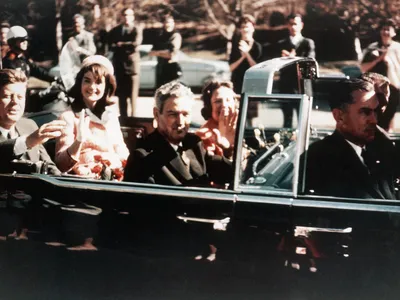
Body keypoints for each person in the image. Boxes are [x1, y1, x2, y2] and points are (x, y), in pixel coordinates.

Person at [123, 81, 233, 186]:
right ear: (156, 114)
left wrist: (229, 148)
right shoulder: (143, 157)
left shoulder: (194, 144)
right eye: (173, 114)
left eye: (185, 114)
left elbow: (229, 175)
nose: (180, 122)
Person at [304, 78, 398, 199]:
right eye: (365, 112)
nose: (374, 120)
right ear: (339, 116)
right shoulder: (321, 157)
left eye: (376, 111)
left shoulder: (377, 149)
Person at [0, 69, 65, 239]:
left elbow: (50, 169)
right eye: (8, 96)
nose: (15, 103)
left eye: (20, 97)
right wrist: (30, 140)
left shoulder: (29, 125)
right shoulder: (32, 134)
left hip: (33, 217)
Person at [55, 55, 129, 181]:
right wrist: (79, 141)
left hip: (114, 181)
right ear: (80, 83)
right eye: (87, 81)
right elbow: (61, 164)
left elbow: (122, 151)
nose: (92, 87)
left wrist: (116, 162)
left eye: (99, 82)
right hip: (83, 185)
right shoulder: (68, 116)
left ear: (107, 87)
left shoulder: (111, 116)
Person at [108, 7, 142, 117]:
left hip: (132, 68)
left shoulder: (136, 29)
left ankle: (134, 118)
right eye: (125, 15)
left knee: (133, 96)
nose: (127, 17)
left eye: (129, 15)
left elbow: (135, 44)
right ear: (121, 17)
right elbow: (110, 45)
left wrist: (121, 44)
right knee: (121, 96)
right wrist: (124, 45)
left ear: (133, 17)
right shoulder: (116, 30)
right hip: (119, 67)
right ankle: (123, 119)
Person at [196, 80, 238, 159]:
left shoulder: (243, 126)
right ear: (209, 106)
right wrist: (227, 150)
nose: (224, 105)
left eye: (228, 100)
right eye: (218, 101)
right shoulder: (203, 135)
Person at [360, 19, 400, 90]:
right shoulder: (372, 47)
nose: (385, 32)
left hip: (394, 87)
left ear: (394, 33)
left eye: (388, 30)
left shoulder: (397, 48)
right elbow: (362, 68)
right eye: (383, 29)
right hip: (374, 88)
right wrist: (377, 60)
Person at [229, 14, 262, 94]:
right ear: (240, 29)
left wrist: (247, 53)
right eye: (243, 27)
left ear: (253, 28)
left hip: (252, 84)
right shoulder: (235, 46)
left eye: (247, 27)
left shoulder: (257, 46)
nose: (245, 29)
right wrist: (242, 57)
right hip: (237, 85)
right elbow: (230, 68)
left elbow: (257, 69)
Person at [149, 14, 182, 89]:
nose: (168, 25)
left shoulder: (175, 35)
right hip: (160, 68)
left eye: (170, 22)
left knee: (170, 91)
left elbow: (171, 54)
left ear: (173, 23)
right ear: (163, 24)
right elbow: (151, 52)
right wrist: (164, 53)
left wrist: (157, 53)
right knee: (160, 92)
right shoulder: (159, 36)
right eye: (166, 22)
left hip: (171, 68)